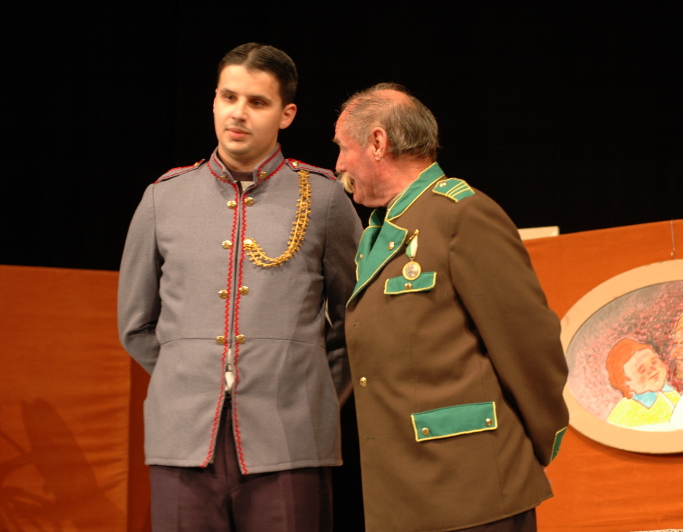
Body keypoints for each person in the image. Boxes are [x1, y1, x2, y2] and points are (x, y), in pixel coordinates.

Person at [118, 43, 362, 531]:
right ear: (213, 100)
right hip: (182, 438)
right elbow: (136, 324)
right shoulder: (163, 197)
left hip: (291, 438)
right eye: (228, 97)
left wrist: (312, 391)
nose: (238, 113)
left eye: (257, 102)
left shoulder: (324, 198)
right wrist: (189, 373)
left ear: (286, 114)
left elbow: (358, 321)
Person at [333, 82, 569, 532]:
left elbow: (530, 345)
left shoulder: (461, 213)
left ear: (378, 142)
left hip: (473, 488)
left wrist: (540, 440)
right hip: (408, 491)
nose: (339, 164)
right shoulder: (380, 232)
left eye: (343, 148)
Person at [605, 338, 680, 428]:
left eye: (654, 362)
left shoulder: (670, 391)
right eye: (642, 370)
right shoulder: (624, 415)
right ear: (626, 385)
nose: (652, 370)